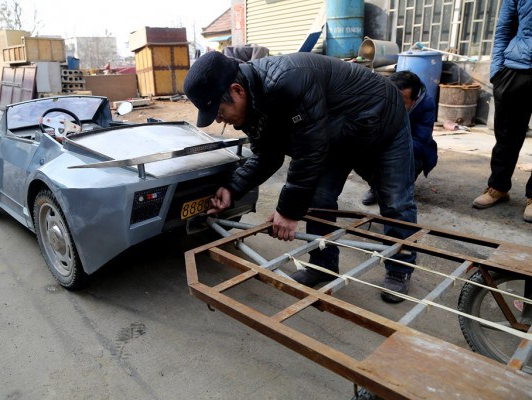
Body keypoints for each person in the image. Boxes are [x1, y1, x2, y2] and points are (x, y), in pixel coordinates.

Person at [183, 51, 418, 303]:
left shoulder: (288, 81)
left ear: (237, 90)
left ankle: (400, 268)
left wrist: (288, 211)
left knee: (395, 200)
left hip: (381, 118)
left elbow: (309, 151)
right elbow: (267, 155)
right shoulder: (253, 104)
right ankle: (323, 265)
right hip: (335, 135)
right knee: (318, 199)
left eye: (219, 111)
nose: (220, 120)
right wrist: (232, 187)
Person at [472, 0, 532, 222]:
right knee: (506, 136)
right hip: (515, 68)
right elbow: (505, 26)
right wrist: (497, 70)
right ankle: (498, 187)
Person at [360, 70, 438, 205]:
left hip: (411, 149)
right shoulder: (380, 96)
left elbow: (420, 141)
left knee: (412, 161)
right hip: (384, 143)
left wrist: (389, 147)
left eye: (401, 100)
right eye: (392, 97)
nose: (393, 103)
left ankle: (401, 188)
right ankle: (376, 187)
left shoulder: (426, 104)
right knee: (358, 154)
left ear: (414, 99)